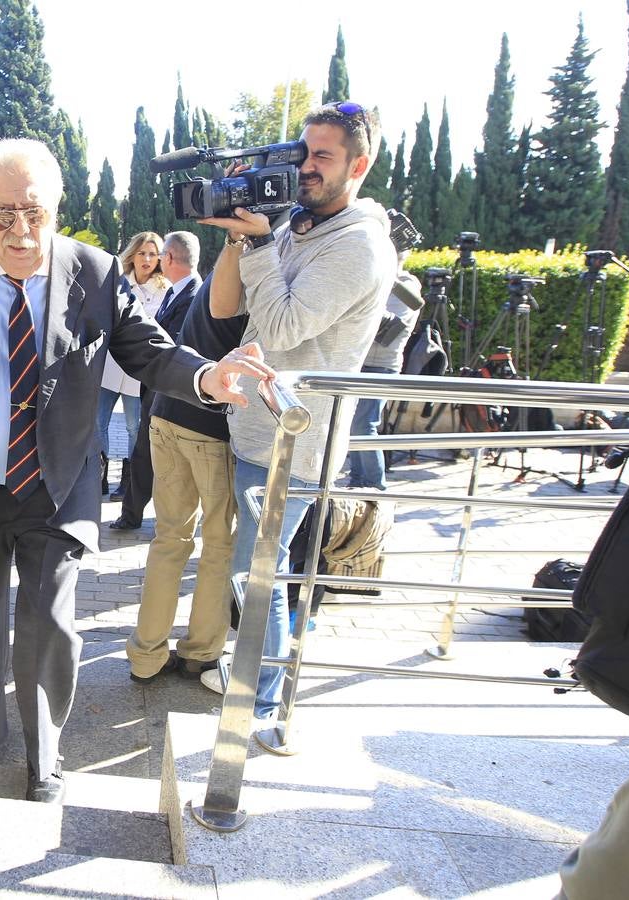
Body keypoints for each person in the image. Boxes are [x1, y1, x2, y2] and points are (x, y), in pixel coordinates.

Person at [0, 137, 274, 803]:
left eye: (35, 212)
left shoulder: (92, 269)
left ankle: (45, 752)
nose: (21, 232)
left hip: (55, 485)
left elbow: (147, 350)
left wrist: (206, 374)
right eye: (2, 216)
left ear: (57, 206)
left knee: (48, 623)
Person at [199, 102, 396, 723]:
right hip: (255, 430)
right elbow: (226, 307)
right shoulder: (298, 226)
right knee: (255, 566)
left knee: (257, 572)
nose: (305, 168)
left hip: (296, 441)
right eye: (302, 152)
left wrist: (259, 241)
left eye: (323, 157)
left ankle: (258, 702)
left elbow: (280, 326)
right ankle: (255, 674)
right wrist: (241, 236)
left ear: (358, 165)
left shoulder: (360, 245)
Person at [125, 270, 247, 683]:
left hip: (168, 411)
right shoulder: (265, 273)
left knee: (170, 538)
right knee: (218, 544)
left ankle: (146, 654)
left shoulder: (219, 273)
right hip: (211, 424)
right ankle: (199, 652)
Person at [110, 231, 204, 531]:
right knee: (143, 452)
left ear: (170, 258)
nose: (157, 260)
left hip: (170, 394)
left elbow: (175, 346)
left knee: (151, 456)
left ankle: (137, 516)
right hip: (157, 390)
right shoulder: (178, 291)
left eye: (161, 254)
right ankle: (132, 514)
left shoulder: (192, 295)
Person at [98, 232, 168, 499]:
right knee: (98, 422)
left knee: (133, 426)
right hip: (110, 367)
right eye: (142, 253)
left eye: (152, 254)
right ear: (132, 255)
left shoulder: (164, 288)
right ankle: (100, 477)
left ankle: (127, 482)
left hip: (139, 372)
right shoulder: (117, 284)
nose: (147, 259)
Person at [346, 259, 422, 490]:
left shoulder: (407, 284)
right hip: (357, 361)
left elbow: (387, 331)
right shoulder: (372, 276)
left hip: (381, 365)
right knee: (351, 425)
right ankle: (357, 481)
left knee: (364, 426)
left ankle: (375, 486)